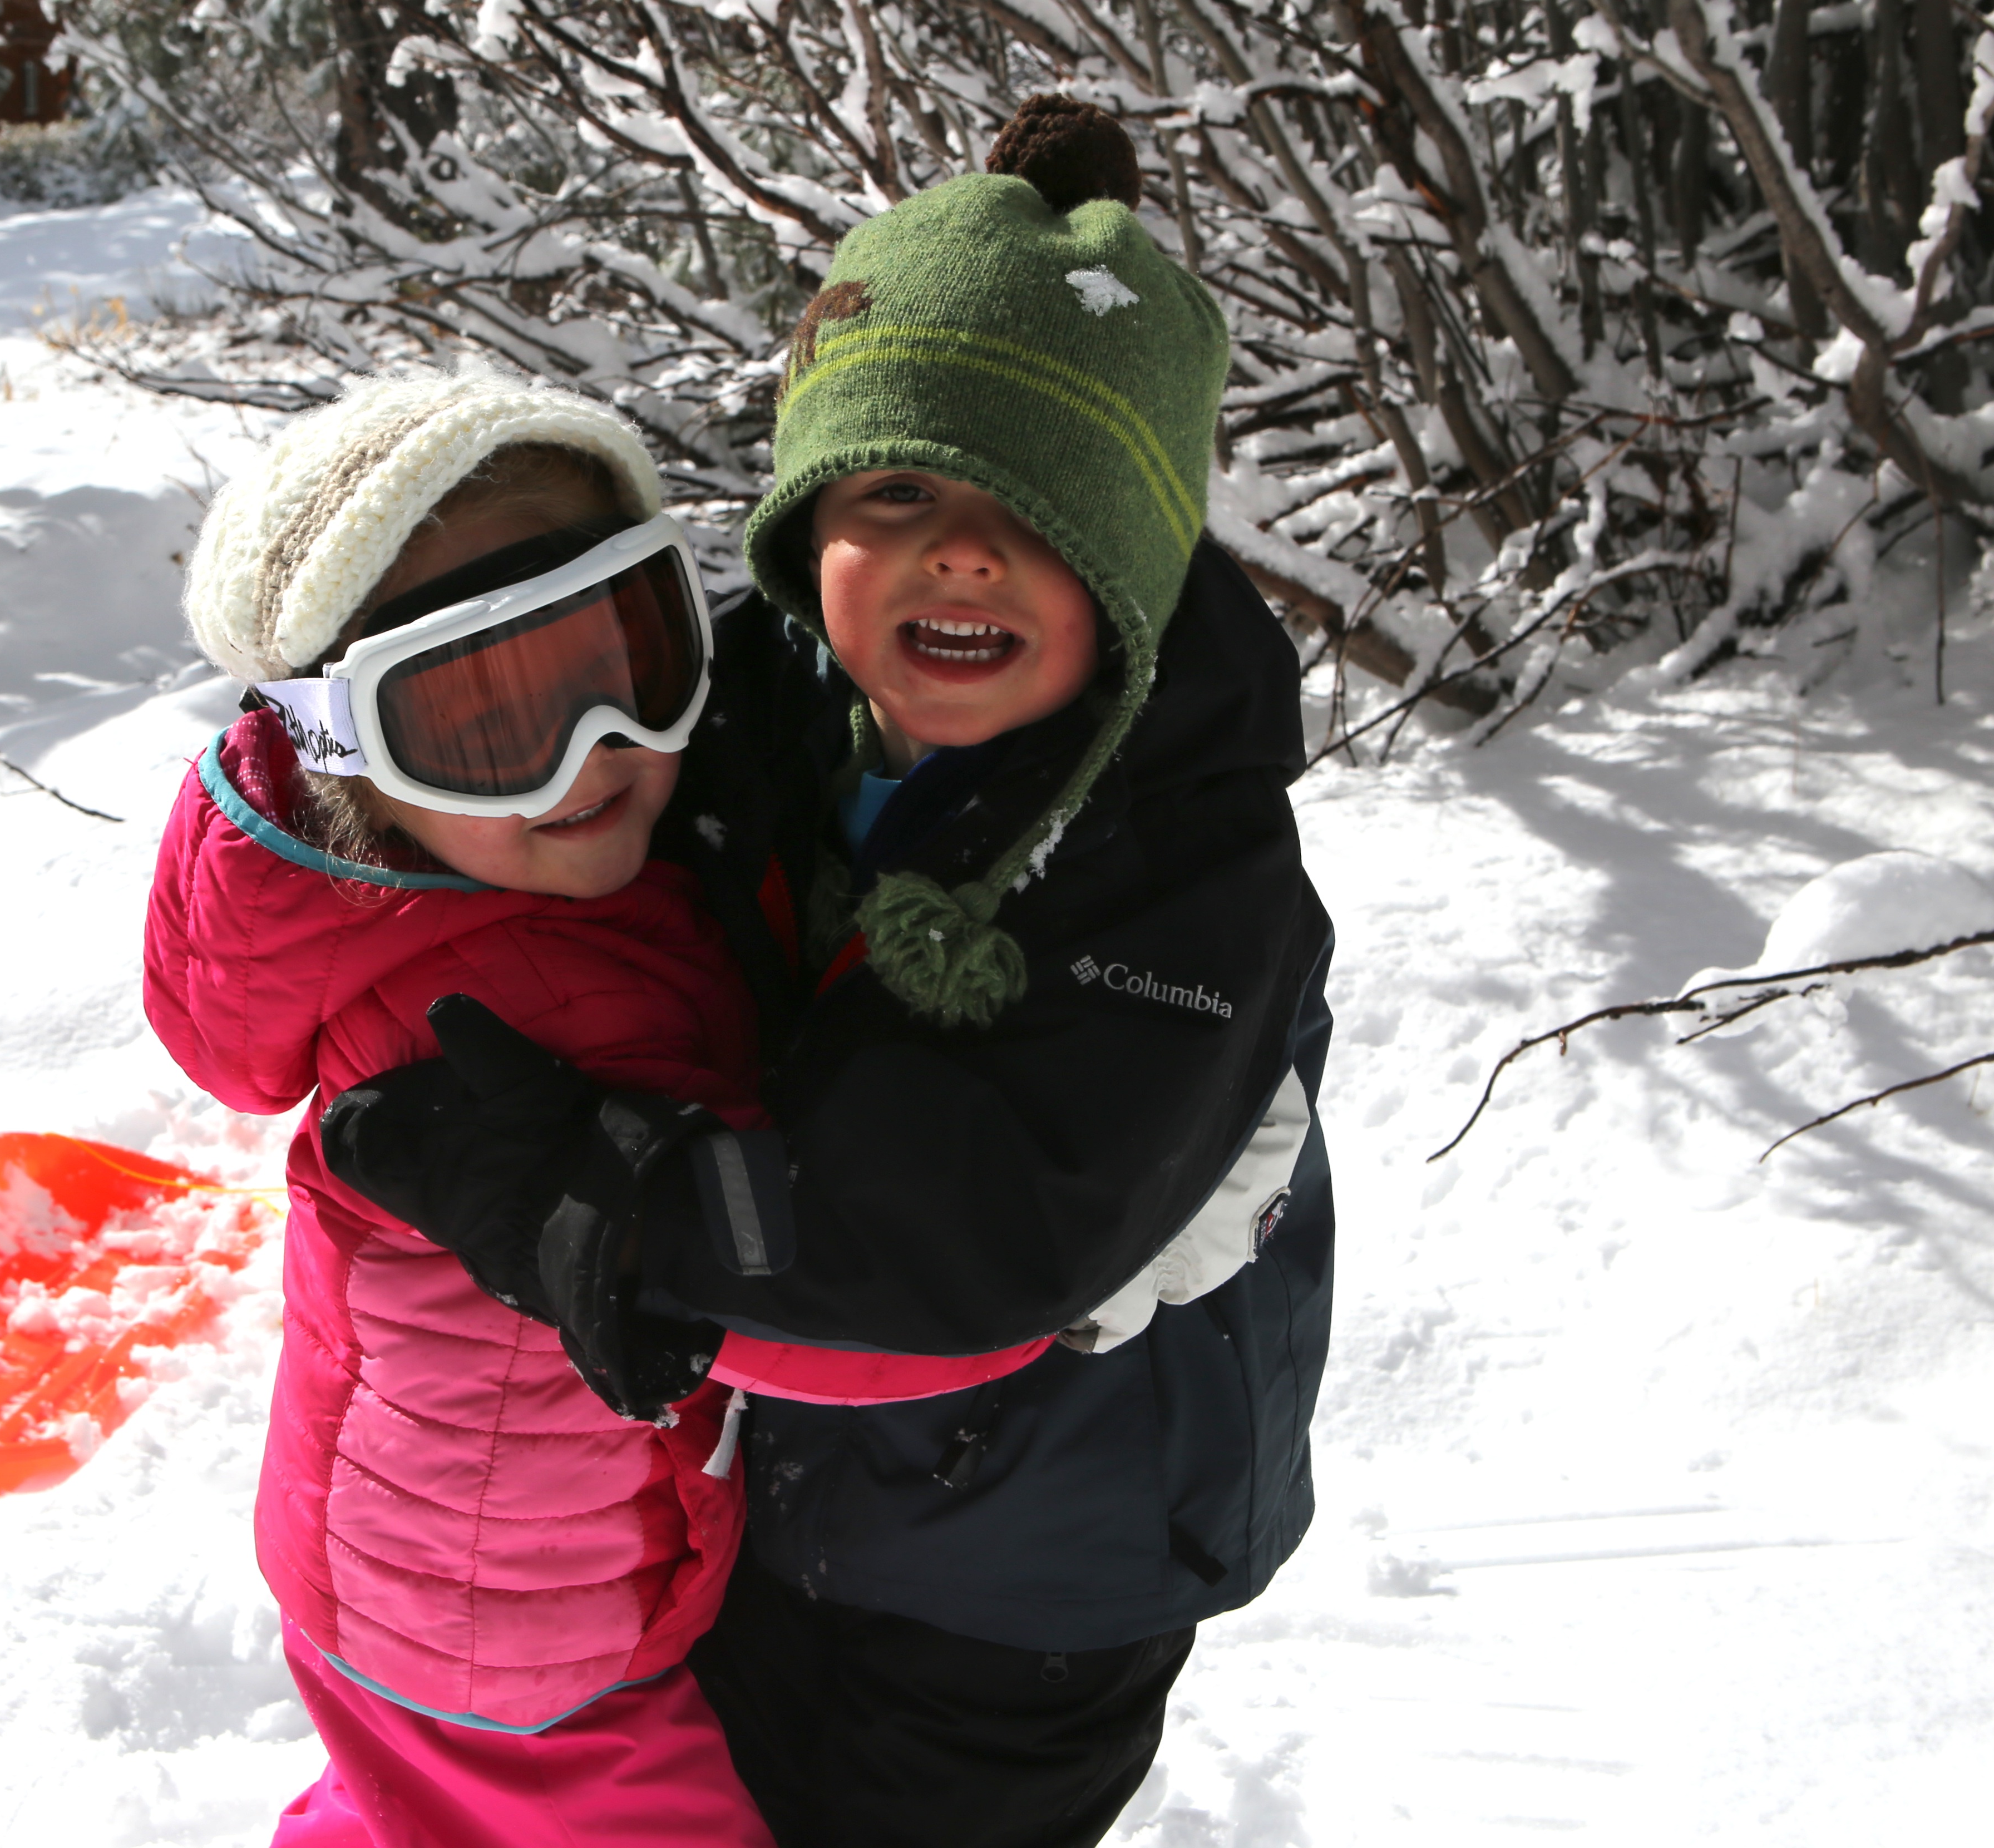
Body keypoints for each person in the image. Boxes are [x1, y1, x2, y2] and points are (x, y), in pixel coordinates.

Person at [320, 97, 1339, 1848]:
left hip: (1038, 1568)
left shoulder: (1188, 872)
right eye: (899, 489)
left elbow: (972, 1228)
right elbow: (549, 757)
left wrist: (600, 1207)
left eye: (1042, 507)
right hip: (793, 1483)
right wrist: (328, 754)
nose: (964, 548)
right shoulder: (781, 707)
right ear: (810, 533)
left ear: (1140, 553)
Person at [139, 365, 775, 1848]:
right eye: (486, 726)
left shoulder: (386, 903)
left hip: (395, 1574)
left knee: (405, 1807)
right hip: (524, 1638)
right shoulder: (531, 1002)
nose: (592, 756)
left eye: (625, 660)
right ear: (350, 759)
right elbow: (812, 1318)